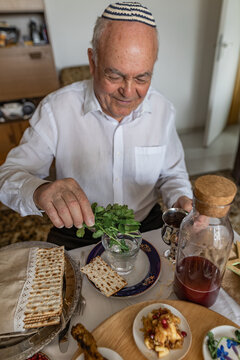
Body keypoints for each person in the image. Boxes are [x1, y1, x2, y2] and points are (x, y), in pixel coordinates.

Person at [0, 2, 193, 250]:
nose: (128, 91)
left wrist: (181, 200)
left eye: (142, 78)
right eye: (114, 76)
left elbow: (172, 175)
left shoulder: (163, 110)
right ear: (92, 62)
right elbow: (7, 176)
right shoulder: (56, 109)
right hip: (77, 231)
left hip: (145, 225)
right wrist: (40, 191)